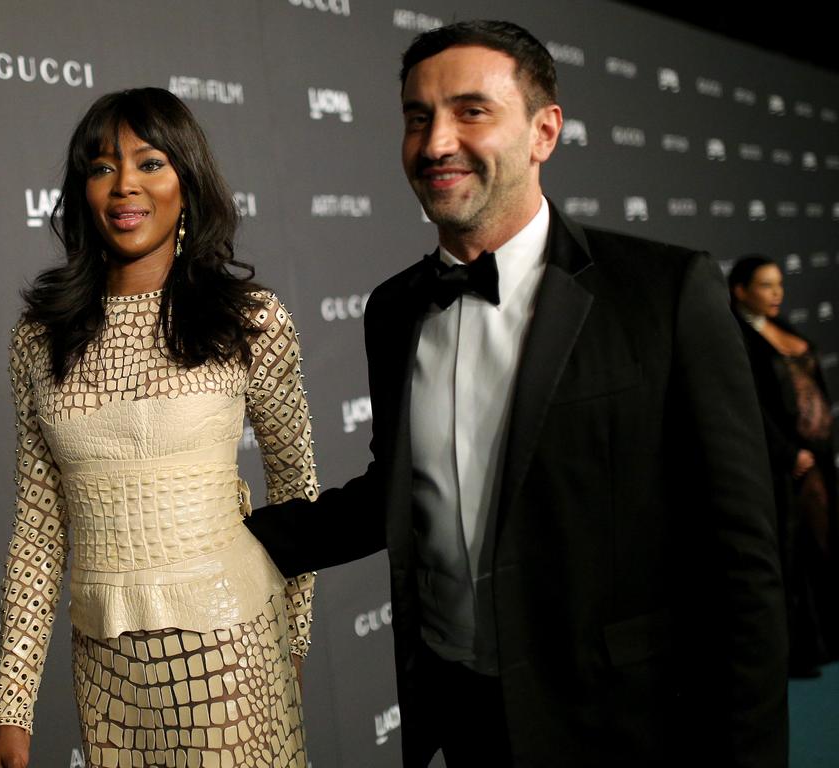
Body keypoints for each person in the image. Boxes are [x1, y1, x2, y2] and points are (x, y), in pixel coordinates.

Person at [246, 20, 788, 768]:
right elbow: (399, 492)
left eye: (471, 111)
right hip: (466, 718)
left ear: (544, 132)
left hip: (626, 723)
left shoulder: (664, 292)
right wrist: (240, 536)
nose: (436, 143)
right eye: (416, 117)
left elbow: (743, 561)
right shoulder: (395, 309)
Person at [0, 87, 317, 768]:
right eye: (103, 167)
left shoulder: (250, 320)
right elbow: (40, 526)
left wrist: (294, 642)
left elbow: (296, 485)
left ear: (188, 183)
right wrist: (13, 712)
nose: (125, 186)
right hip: (106, 670)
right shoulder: (40, 338)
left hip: (234, 652)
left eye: (150, 163)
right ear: (83, 190)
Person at [729, 254, 839, 677]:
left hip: (818, 459)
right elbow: (747, 405)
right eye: (766, 285)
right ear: (741, 291)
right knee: (789, 558)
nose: (778, 293)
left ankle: (825, 638)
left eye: (779, 284)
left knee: (822, 545)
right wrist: (788, 453)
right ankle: (798, 650)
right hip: (781, 468)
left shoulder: (784, 326)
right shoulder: (735, 335)